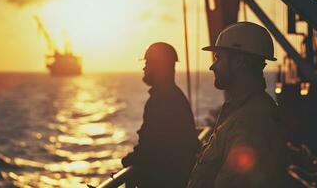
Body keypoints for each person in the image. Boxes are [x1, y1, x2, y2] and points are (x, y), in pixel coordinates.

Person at [187, 22, 288, 188]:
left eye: (218, 58)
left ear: (239, 61)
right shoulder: (243, 111)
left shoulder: (252, 121)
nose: (212, 66)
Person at [121, 42, 199, 188]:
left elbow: (150, 147)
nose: (144, 68)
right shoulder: (175, 96)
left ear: (159, 67)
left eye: (148, 63)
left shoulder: (161, 101)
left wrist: (128, 161)